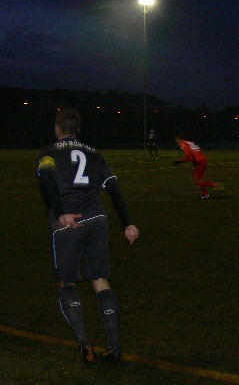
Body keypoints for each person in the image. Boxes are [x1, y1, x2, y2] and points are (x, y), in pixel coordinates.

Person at [37, 109, 139, 364]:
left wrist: (61, 213)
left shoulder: (49, 152)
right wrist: (128, 222)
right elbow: (114, 188)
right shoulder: (95, 154)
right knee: (101, 280)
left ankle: (84, 342)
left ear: (57, 128)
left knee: (67, 283)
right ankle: (114, 346)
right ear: (78, 130)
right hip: (97, 220)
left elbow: (46, 179)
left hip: (69, 224)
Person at [173, 133, 221, 199]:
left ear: (180, 139)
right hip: (203, 160)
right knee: (198, 180)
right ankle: (206, 194)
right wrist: (180, 161)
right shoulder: (190, 142)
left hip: (199, 161)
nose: (176, 141)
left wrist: (194, 163)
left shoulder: (182, 144)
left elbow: (189, 155)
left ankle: (216, 185)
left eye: (177, 139)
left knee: (198, 181)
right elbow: (191, 154)